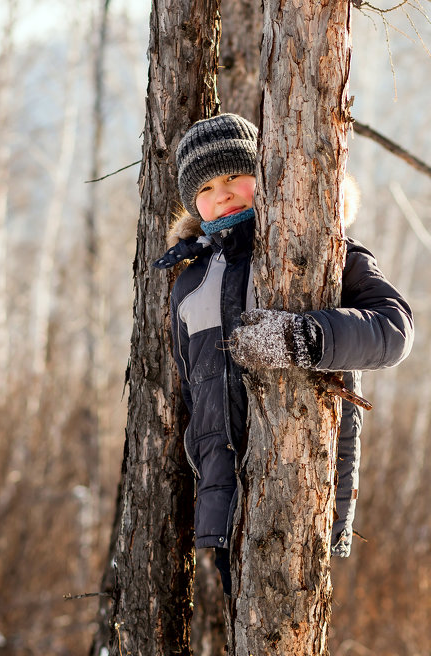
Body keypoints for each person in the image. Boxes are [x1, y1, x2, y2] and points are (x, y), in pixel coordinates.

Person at [151, 113, 414, 595]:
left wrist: (305, 337)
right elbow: (191, 388)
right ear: (194, 204)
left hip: (303, 480)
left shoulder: (324, 248)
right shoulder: (188, 285)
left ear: (265, 172)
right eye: (206, 188)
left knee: (291, 628)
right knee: (246, 639)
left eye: (234, 175)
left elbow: (394, 331)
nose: (223, 193)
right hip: (225, 494)